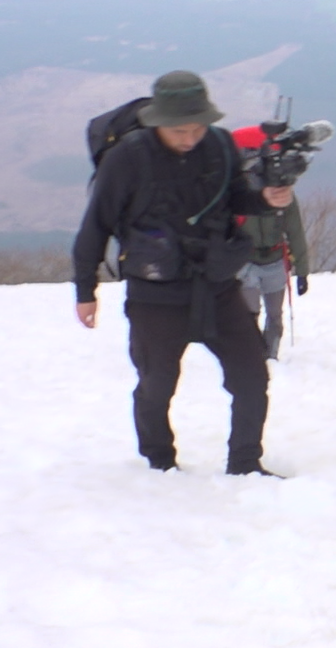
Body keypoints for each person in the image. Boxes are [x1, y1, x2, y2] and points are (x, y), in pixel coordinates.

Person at [72, 70, 297, 476]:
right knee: (157, 385)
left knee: (250, 376)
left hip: (218, 286)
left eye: (197, 127)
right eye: (179, 130)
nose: (190, 137)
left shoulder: (220, 145)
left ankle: (246, 464)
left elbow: (235, 198)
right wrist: (85, 290)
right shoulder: (128, 157)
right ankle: (159, 464)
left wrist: (265, 198)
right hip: (155, 294)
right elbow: (96, 224)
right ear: (158, 121)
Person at [236, 196, 309, 361]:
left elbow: (295, 231)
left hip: (275, 259)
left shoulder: (282, 192)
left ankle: (270, 356)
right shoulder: (239, 190)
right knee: (250, 311)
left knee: (274, 314)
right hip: (245, 259)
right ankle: (254, 355)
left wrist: (302, 271)